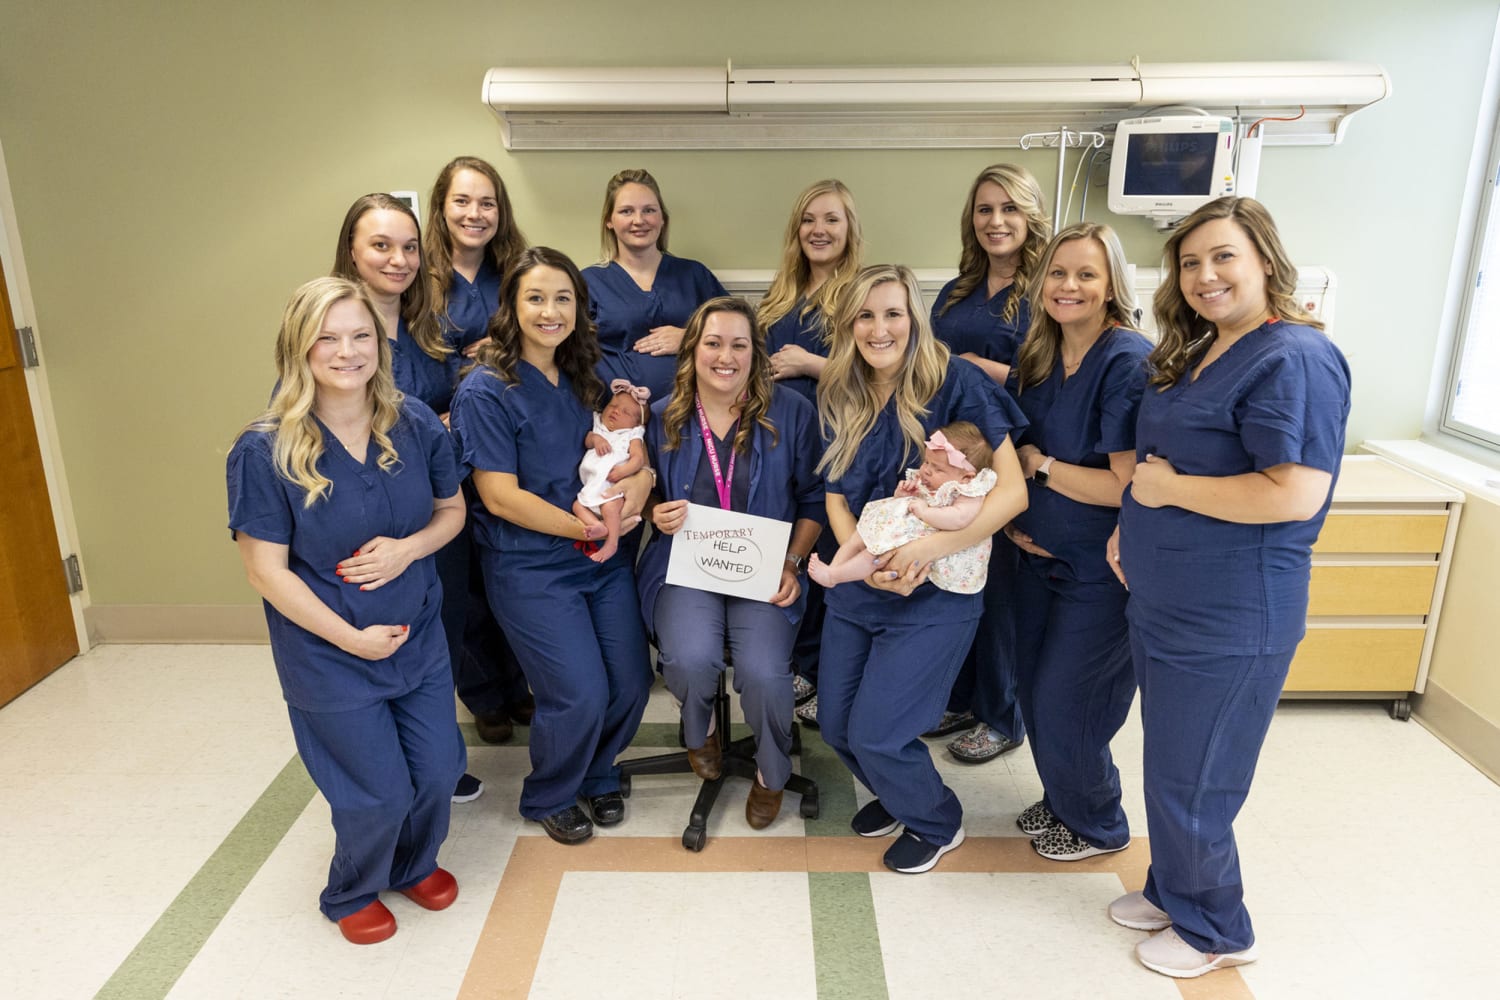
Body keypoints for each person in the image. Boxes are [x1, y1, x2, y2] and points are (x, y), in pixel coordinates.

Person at [1109, 197, 1351, 979]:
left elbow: (1291, 494)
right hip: (1168, 604)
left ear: (1265, 261)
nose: (1205, 276)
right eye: (1189, 263)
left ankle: (1216, 927)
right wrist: (1130, 524)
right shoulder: (1206, 351)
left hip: (1231, 615)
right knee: (1171, 762)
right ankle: (1173, 887)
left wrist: (1169, 495)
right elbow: (1157, 469)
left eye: (1223, 257)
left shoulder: (1295, 359)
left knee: (1198, 775)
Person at [227, 276, 467, 945]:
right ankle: (353, 888)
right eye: (326, 338)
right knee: (377, 792)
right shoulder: (265, 448)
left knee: (441, 768)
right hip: (329, 652)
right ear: (298, 349)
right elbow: (264, 570)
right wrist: (351, 639)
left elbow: (452, 511)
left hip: (416, 631)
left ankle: (414, 862)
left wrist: (408, 550)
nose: (347, 351)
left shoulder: (413, 421)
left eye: (361, 335)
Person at [815, 264, 1028, 874]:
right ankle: (895, 791)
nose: (879, 329)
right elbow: (834, 495)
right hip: (863, 585)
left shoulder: (956, 383)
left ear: (915, 318)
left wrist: (921, 554)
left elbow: (1011, 494)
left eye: (893, 313)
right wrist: (869, 558)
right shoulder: (842, 391)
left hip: (935, 592)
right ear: (848, 323)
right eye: (865, 315)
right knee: (835, 726)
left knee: (880, 733)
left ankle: (937, 818)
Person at [449, 246, 654, 846]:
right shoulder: (486, 390)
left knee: (630, 681)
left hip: (600, 560)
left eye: (563, 298)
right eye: (535, 297)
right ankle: (551, 793)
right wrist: (587, 531)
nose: (550, 311)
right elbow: (500, 496)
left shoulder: (586, 373)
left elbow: (625, 445)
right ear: (511, 306)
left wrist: (640, 479)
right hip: (529, 563)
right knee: (577, 692)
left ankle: (596, 770)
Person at [637, 296, 824, 829]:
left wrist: (792, 561)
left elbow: (813, 499)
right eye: (712, 343)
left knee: (766, 674)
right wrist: (656, 509)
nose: (725, 356)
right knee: (691, 661)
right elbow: (637, 492)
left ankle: (771, 772)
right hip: (684, 566)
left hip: (767, 570)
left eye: (739, 344)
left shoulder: (791, 412)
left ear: (755, 353)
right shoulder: (662, 416)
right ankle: (700, 732)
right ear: (692, 350)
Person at [998, 223, 1151, 863]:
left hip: (1099, 568)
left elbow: (1125, 486)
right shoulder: (1038, 356)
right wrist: (1009, 516)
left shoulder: (1127, 361)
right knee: (1033, 691)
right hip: (1033, 558)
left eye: (1087, 274)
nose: (1069, 286)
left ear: (1112, 283)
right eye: (1059, 273)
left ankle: (1097, 822)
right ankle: (1065, 795)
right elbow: (1007, 448)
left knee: (1071, 700)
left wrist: (1040, 468)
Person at [331, 192, 486, 802]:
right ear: (351, 249)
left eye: (409, 247)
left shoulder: (429, 328)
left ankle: (437, 758)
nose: (398, 260)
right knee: (379, 645)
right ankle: (388, 771)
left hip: (435, 517)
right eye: (381, 245)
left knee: (439, 640)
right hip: (367, 519)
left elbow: (434, 411)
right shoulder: (334, 332)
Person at [929, 163, 1052, 764]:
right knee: (956, 577)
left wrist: (982, 370)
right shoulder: (957, 291)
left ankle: (1002, 715)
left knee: (999, 588)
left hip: (1008, 451)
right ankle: (960, 696)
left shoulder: (1045, 292)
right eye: (984, 209)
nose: (996, 221)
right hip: (953, 455)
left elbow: (1056, 376)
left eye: (1008, 208)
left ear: (1031, 216)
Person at [422, 156, 535, 749]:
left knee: (507, 576)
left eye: (487, 203)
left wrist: (500, 350)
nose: (475, 214)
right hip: (444, 449)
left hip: (508, 443)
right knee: (459, 587)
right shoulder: (421, 282)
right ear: (441, 208)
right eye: (463, 202)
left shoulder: (515, 273)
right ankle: (485, 696)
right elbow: (417, 364)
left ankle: (519, 685)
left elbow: (548, 338)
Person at [757, 179, 865, 723]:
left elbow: (881, 372)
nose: (818, 230)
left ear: (850, 230)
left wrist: (811, 366)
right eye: (808, 220)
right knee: (787, 544)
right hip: (780, 442)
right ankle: (796, 658)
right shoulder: (782, 293)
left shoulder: (860, 294)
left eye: (831, 220)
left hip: (834, 440)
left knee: (826, 554)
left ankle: (827, 674)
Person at [582, 168, 727, 401]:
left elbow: (738, 333)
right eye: (626, 211)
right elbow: (568, 352)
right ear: (609, 220)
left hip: (693, 412)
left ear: (662, 218)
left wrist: (691, 338)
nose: (639, 220)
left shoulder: (693, 275)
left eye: (649, 210)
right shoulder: (589, 282)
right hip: (616, 419)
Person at [809, 423, 995, 594]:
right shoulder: (934, 482)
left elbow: (959, 518)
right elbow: (911, 505)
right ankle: (833, 568)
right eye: (926, 462)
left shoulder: (970, 492)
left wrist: (925, 512)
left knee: (874, 552)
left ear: (967, 477)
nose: (927, 470)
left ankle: (835, 576)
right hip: (907, 526)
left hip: (923, 539)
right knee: (858, 537)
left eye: (938, 469)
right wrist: (903, 496)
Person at [573, 380, 650, 563]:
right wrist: (597, 440)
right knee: (577, 506)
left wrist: (623, 471)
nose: (616, 411)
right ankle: (596, 525)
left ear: (637, 423)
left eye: (625, 412)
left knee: (610, 508)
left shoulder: (632, 435)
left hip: (611, 488)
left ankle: (612, 543)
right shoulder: (599, 426)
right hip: (592, 486)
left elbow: (638, 459)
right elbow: (588, 440)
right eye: (613, 405)